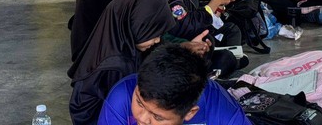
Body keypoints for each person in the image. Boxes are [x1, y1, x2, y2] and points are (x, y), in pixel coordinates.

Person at [68, 0, 177, 125]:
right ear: (136, 25)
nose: (157, 40)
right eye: (154, 34)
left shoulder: (120, 41)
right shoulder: (115, 66)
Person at [98, 44, 251, 125]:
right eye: (139, 102)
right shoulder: (122, 95)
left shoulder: (222, 110)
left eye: (157, 117)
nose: (142, 119)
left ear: (190, 113)